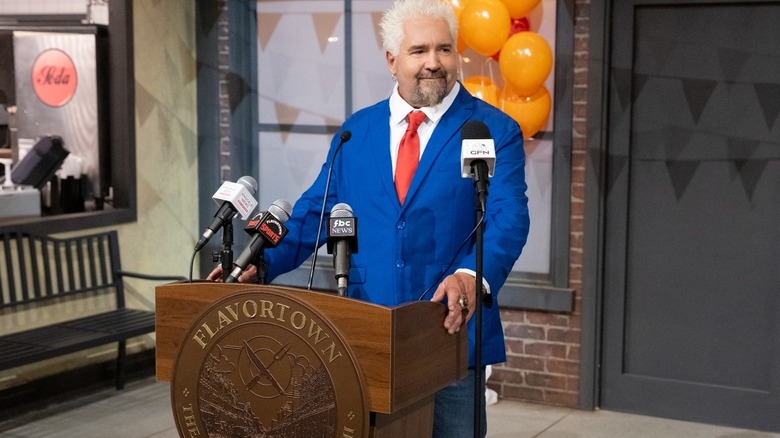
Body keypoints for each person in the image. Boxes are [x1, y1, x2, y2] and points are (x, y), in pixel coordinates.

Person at [209, 0, 529, 435]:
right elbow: (314, 213)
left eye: (444, 49)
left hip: (450, 335)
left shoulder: (493, 130)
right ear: (392, 60)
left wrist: (473, 275)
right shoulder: (356, 132)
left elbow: (509, 217)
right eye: (419, 51)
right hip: (365, 334)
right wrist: (260, 262)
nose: (434, 62)